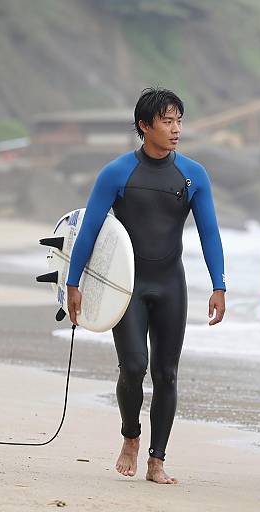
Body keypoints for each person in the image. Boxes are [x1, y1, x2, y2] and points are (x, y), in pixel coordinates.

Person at [66, 87, 226, 484]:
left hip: (171, 283)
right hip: (128, 286)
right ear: (144, 126)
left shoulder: (193, 174)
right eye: (167, 121)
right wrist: (74, 281)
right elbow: (90, 231)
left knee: (167, 374)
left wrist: (218, 285)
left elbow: (209, 234)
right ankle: (131, 437)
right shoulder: (117, 173)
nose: (175, 130)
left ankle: (157, 459)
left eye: (179, 121)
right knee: (134, 366)